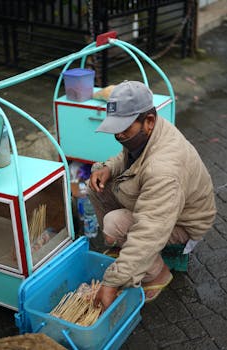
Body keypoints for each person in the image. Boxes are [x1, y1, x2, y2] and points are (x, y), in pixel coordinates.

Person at [88, 80, 216, 310]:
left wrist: (111, 282)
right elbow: (128, 156)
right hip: (163, 204)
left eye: (124, 129)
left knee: (113, 224)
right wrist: (109, 167)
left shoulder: (164, 168)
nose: (119, 135)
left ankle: (158, 274)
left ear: (148, 121)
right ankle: (126, 249)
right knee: (97, 182)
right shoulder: (150, 130)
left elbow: (150, 230)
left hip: (184, 223)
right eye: (115, 129)